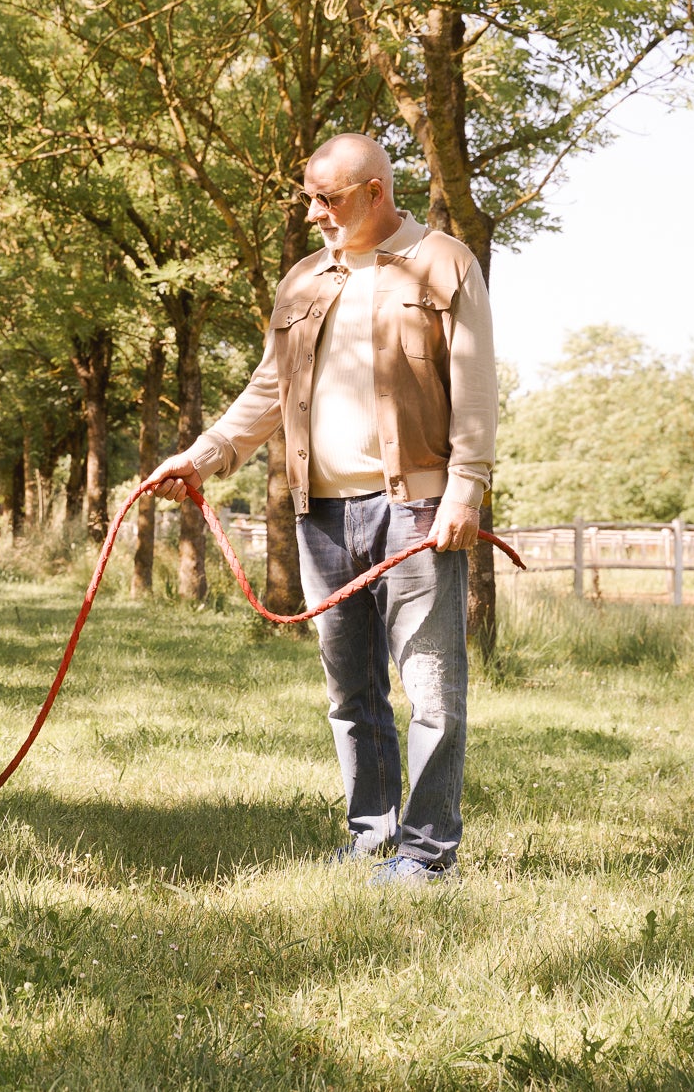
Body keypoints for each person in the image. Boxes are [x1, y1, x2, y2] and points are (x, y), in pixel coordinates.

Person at [146, 132, 495, 886]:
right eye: (309, 197)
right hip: (323, 515)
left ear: (375, 192)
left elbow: (475, 385)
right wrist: (203, 455)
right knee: (351, 690)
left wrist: (465, 487)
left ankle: (427, 852)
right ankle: (373, 835)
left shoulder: (444, 262)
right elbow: (268, 389)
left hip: (417, 509)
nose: (313, 213)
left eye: (326, 198)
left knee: (431, 687)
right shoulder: (303, 280)